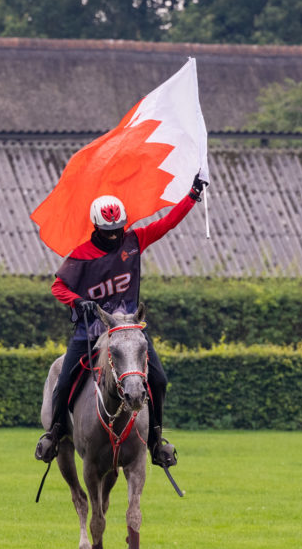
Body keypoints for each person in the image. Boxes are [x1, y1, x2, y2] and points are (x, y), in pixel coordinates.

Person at [35, 174, 207, 468]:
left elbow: (166, 224)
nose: (114, 235)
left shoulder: (134, 241)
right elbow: (58, 287)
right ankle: (54, 434)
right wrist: (78, 301)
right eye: (107, 230)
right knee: (63, 382)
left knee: (160, 380)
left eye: (117, 229)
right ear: (96, 227)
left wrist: (192, 195)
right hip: (91, 331)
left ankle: (155, 442)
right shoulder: (81, 256)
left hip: (128, 329)